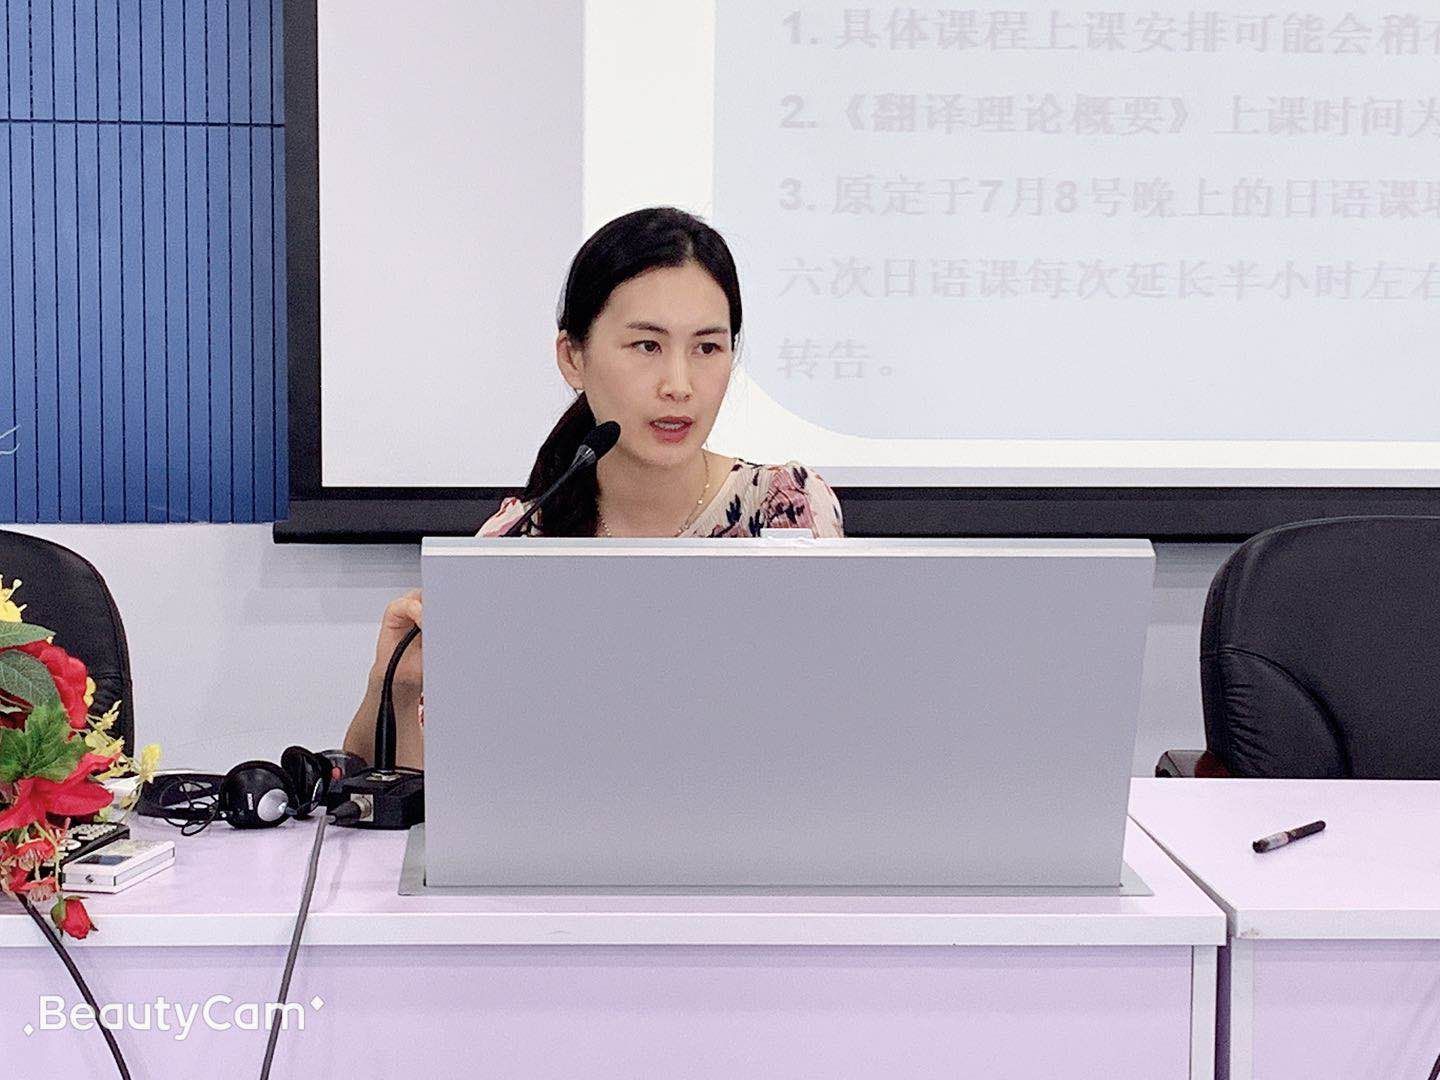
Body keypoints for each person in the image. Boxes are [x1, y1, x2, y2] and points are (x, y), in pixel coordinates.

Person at [344, 207, 844, 768]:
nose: (679, 385)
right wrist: (397, 683)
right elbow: (428, 787)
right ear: (573, 358)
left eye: (707, 348)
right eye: (647, 346)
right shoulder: (516, 543)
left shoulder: (784, 508)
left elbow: (831, 737)